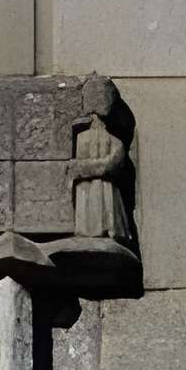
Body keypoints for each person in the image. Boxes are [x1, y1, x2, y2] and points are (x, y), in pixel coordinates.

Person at [69, 76, 131, 244]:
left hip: (103, 188)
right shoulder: (82, 138)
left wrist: (82, 168)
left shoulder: (114, 141)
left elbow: (112, 165)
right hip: (88, 190)